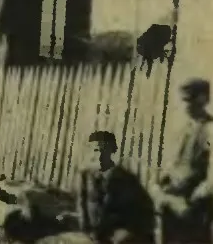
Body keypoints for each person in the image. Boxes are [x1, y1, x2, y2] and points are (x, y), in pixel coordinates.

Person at [150, 77, 213, 243]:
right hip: (171, 201)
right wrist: (160, 186)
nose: (186, 105)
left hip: (194, 205)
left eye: (190, 100)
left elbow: (211, 179)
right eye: (184, 100)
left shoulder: (209, 129)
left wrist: (192, 201)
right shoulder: (181, 129)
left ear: (204, 99)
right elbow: (170, 165)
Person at [75, 130, 154, 243]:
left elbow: (137, 209)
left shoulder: (125, 178)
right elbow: (81, 204)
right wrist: (86, 229)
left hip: (116, 231)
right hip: (93, 230)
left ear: (113, 150)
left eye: (104, 150)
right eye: (96, 150)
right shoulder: (85, 175)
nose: (100, 155)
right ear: (91, 152)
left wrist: (124, 231)